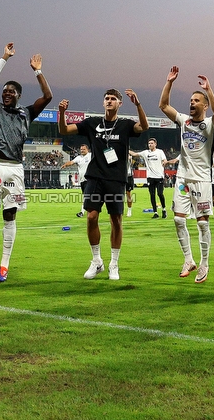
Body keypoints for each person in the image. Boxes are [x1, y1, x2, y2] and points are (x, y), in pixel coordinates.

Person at [0, 43, 52, 282]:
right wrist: (4, 58)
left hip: (15, 170)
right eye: (5, 91)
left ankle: (4, 265)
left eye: (11, 91)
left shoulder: (27, 113)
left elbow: (48, 96)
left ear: (18, 95)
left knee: (10, 215)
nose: (6, 93)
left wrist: (38, 72)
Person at [57, 88, 148, 280]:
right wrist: (63, 113)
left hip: (116, 178)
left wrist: (138, 104)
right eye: (107, 98)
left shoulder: (125, 125)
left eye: (113, 99)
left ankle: (114, 263)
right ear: (103, 102)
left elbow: (144, 127)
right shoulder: (92, 123)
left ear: (119, 104)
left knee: (116, 220)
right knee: (91, 217)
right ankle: (97, 261)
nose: (109, 101)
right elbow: (64, 130)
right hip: (95, 177)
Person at [161, 67, 214, 283]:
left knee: (203, 223)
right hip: (182, 179)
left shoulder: (210, 126)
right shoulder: (184, 121)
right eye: (191, 100)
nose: (192, 103)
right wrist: (169, 82)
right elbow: (164, 106)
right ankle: (189, 259)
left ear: (204, 105)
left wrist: (209, 89)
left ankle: (204, 263)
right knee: (178, 220)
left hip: (202, 179)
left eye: (196, 100)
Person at [130, 138, 167, 218]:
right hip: (150, 177)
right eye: (149, 143)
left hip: (159, 176)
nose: (150, 145)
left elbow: (165, 159)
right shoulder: (145, 152)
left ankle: (164, 209)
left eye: (151, 143)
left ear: (155, 144)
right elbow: (134, 154)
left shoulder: (160, 152)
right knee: (152, 195)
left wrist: (164, 162)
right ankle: (155, 213)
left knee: (160, 194)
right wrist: (126, 148)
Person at [60, 144, 91, 217]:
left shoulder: (91, 155)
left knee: (86, 196)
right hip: (82, 181)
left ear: (87, 150)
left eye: (83, 149)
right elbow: (71, 162)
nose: (82, 151)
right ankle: (88, 210)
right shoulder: (79, 158)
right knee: (86, 196)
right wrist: (65, 165)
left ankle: (82, 212)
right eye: (81, 149)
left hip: (90, 179)